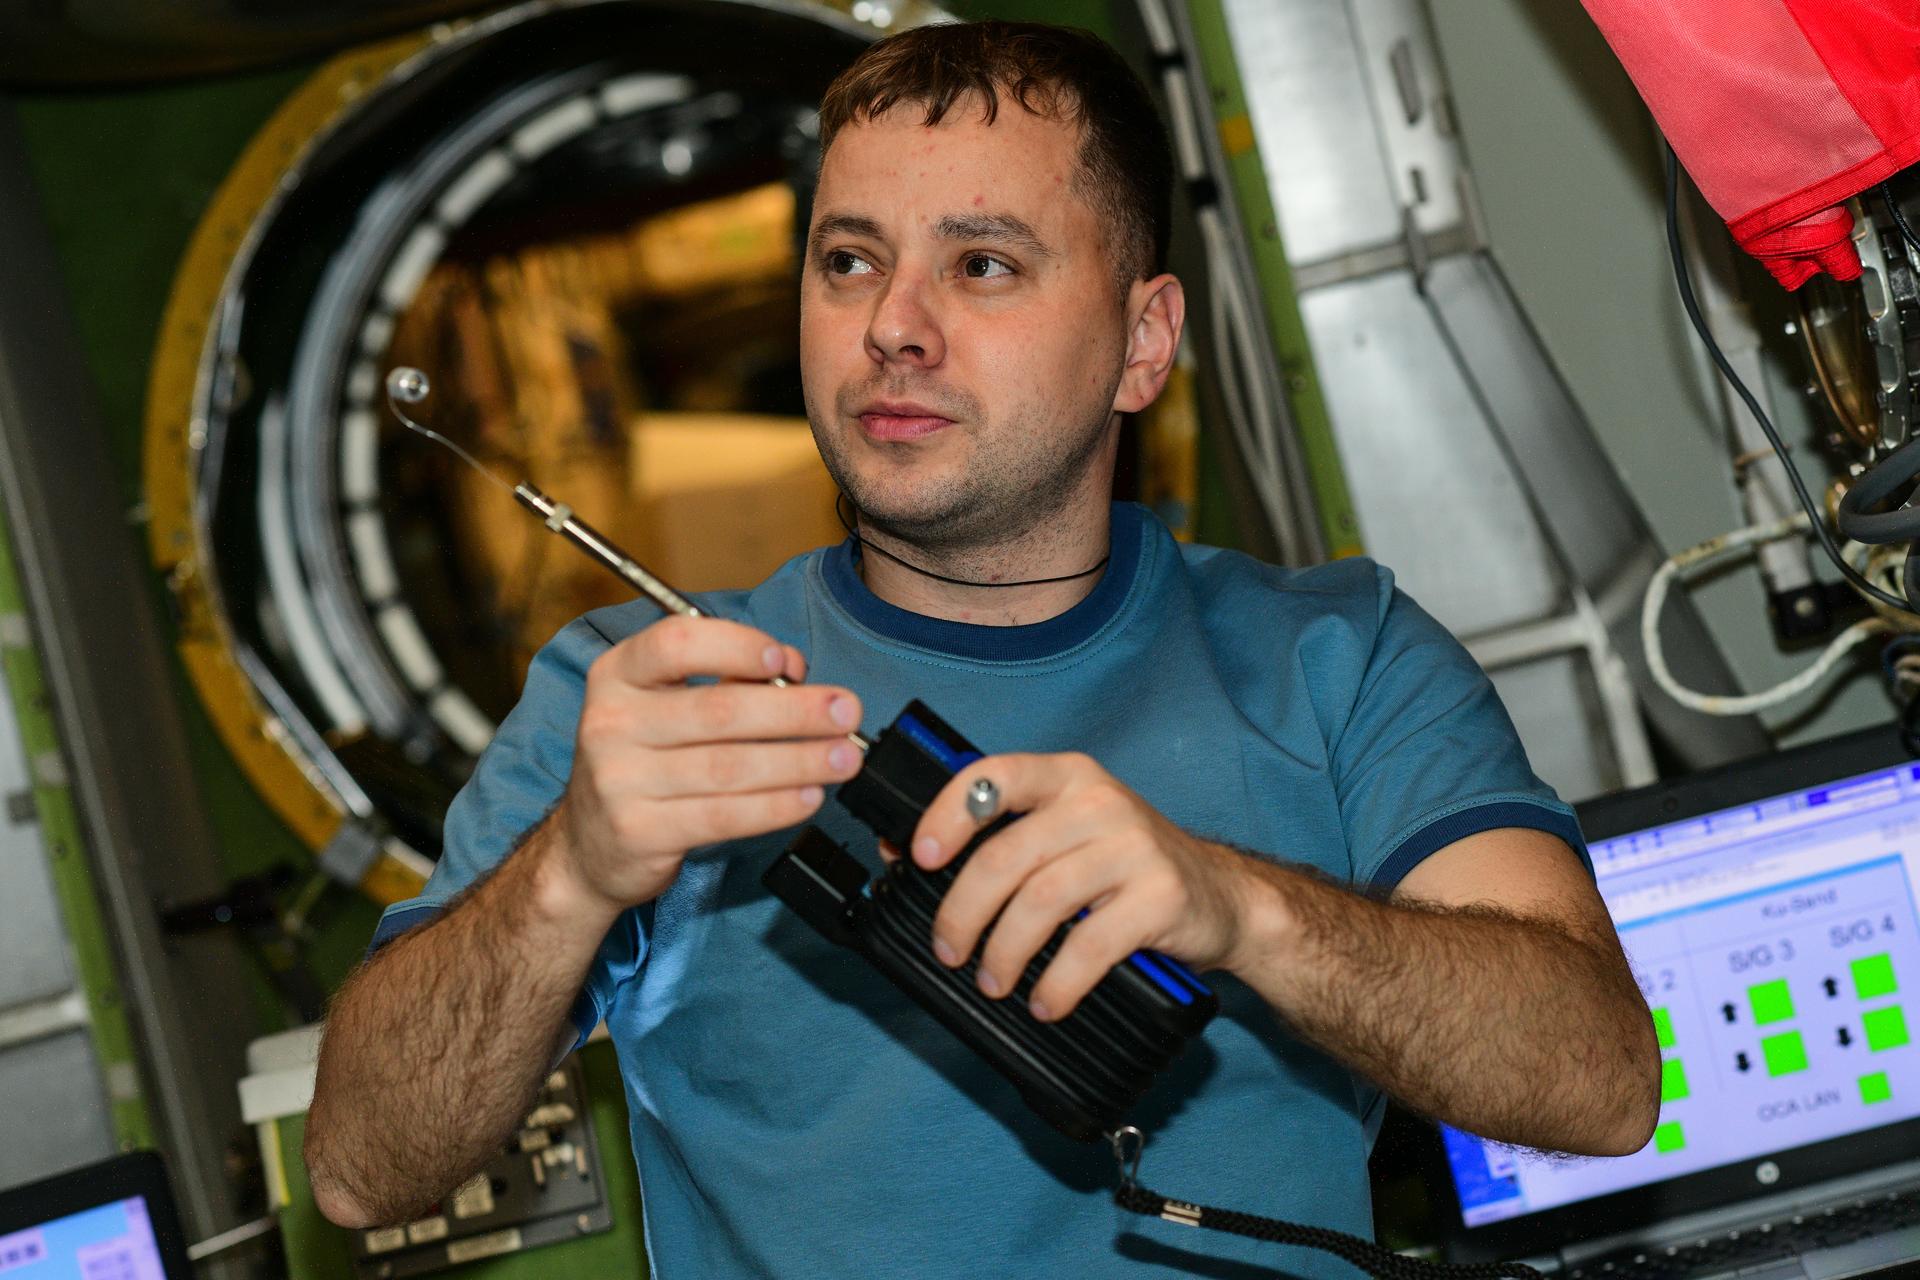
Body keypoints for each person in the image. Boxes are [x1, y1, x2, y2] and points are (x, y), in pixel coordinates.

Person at [306, 19, 1659, 1278]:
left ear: (1142, 342)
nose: (892, 324)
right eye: (848, 261)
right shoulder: (649, 695)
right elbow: (365, 1172)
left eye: (982, 263)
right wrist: (570, 872)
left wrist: (1235, 909)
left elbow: (1599, 1082)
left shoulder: (1340, 657)